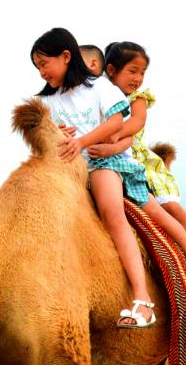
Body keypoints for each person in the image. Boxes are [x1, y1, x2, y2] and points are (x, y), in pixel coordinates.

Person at [32, 29, 160, 327]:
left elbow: (116, 121)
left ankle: (142, 299)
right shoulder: (49, 101)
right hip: (70, 169)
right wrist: (57, 135)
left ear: (66, 57)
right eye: (37, 67)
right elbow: (51, 135)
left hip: (103, 161)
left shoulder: (99, 88)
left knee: (111, 212)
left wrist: (82, 142)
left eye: (43, 64)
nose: (41, 72)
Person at [90, 40, 186, 306]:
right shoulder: (99, 96)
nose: (138, 78)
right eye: (132, 71)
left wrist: (113, 133)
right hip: (110, 160)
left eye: (141, 72)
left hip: (140, 164)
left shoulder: (136, 98)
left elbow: (137, 123)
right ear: (111, 70)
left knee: (173, 212)